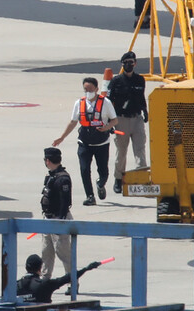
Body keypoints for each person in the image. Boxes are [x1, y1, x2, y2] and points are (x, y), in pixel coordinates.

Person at [53, 77, 118, 205]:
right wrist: (62, 137)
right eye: (85, 90)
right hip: (84, 142)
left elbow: (114, 120)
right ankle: (90, 196)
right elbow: (73, 122)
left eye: (90, 89)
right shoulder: (79, 103)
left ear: (96, 89)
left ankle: (100, 184)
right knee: (84, 170)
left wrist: (106, 127)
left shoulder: (106, 103)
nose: (88, 92)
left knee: (103, 170)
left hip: (101, 143)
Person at [107, 51, 148, 195]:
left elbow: (141, 97)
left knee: (140, 150)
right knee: (121, 152)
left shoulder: (140, 80)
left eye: (131, 62)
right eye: (126, 63)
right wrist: (110, 122)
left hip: (136, 118)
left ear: (135, 64)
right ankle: (119, 179)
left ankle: (142, 179)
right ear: (122, 65)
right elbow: (109, 102)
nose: (128, 65)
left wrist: (145, 111)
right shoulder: (116, 81)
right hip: (121, 120)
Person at [38, 147, 73, 279]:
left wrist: (61, 222)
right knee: (46, 252)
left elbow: (65, 203)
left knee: (64, 253)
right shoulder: (50, 176)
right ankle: (45, 278)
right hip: (48, 219)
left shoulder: (62, 178)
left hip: (59, 219)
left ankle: (71, 281)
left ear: (47, 160)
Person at [16, 254, 101, 303]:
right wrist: (86, 268)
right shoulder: (44, 285)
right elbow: (66, 278)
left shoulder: (15, 286)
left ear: (26, 267)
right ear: (40, 268)